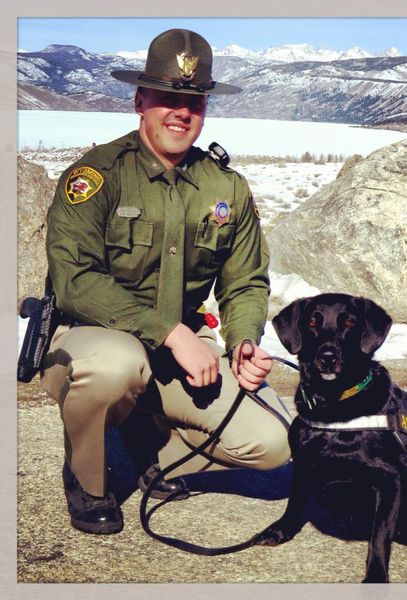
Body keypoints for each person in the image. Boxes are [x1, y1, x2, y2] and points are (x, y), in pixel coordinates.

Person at [40, 28, 291, 535]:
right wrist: (174, 333)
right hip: (91, 340)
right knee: (116, 367)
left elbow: (245, 280)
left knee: (276, 444)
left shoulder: (224, 188)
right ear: (140, 100)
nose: (182, 111)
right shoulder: (97, 177)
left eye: (194, 101)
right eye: (168, 98)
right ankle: (87, 479)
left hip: (172, 353)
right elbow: (75, 282)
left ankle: (155, 453)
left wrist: (242, 340)